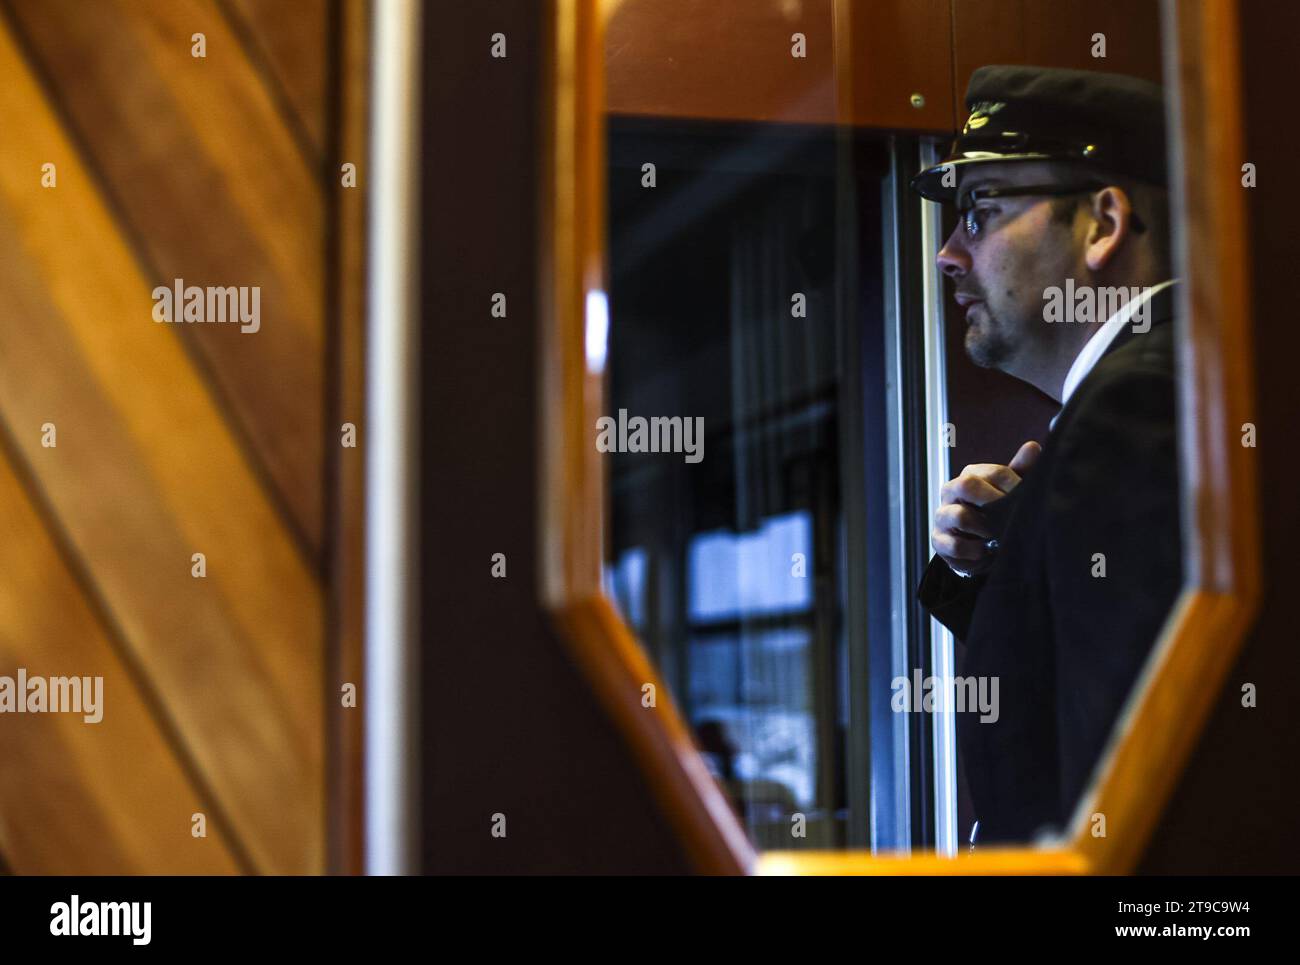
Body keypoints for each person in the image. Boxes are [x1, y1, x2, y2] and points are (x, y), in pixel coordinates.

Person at [910, 65, 1183, 845]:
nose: (947, 255)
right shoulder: (1139, 391)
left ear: (1102, 223)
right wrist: (992, 563)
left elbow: (1120, 798)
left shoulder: (1136, 404)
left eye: (981, 212)